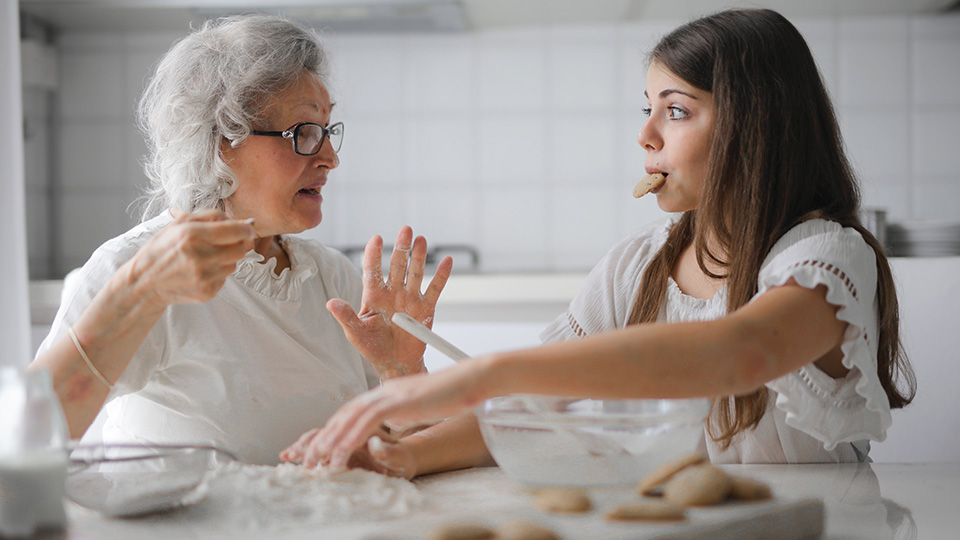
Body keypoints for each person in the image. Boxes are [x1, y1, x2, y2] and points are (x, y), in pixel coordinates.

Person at [282, 8, 916, 474]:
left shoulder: (826, 258)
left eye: (675, 109)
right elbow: (535, 407)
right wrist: (406, 455)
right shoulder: (636, 266)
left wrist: (489, 370)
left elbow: (743, 352)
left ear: (756, 126)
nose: (645, 135)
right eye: (646, 107)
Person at [28, 14, 451, 465]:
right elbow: (29, 434)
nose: (330, 157)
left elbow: (397, 454)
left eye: (327, 131)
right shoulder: (134, 266)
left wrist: (402, 373)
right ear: (218, 142)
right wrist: (138, 292)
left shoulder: (331, 278)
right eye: (304, 133)